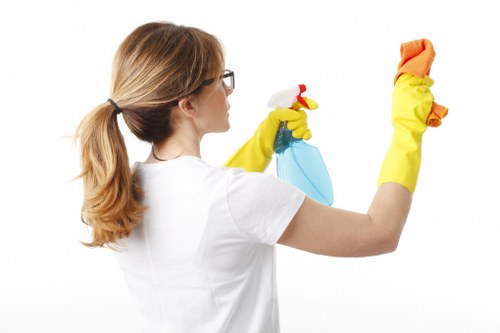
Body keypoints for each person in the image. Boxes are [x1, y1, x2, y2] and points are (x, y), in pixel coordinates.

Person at [74, 21, 445, 333]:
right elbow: (379, 233)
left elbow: (213, 209)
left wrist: (263, 142)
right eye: (219, 80)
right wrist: (407, 128)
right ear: (187, 104)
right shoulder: (232, 197)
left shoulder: (121, 190)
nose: (228, 89)